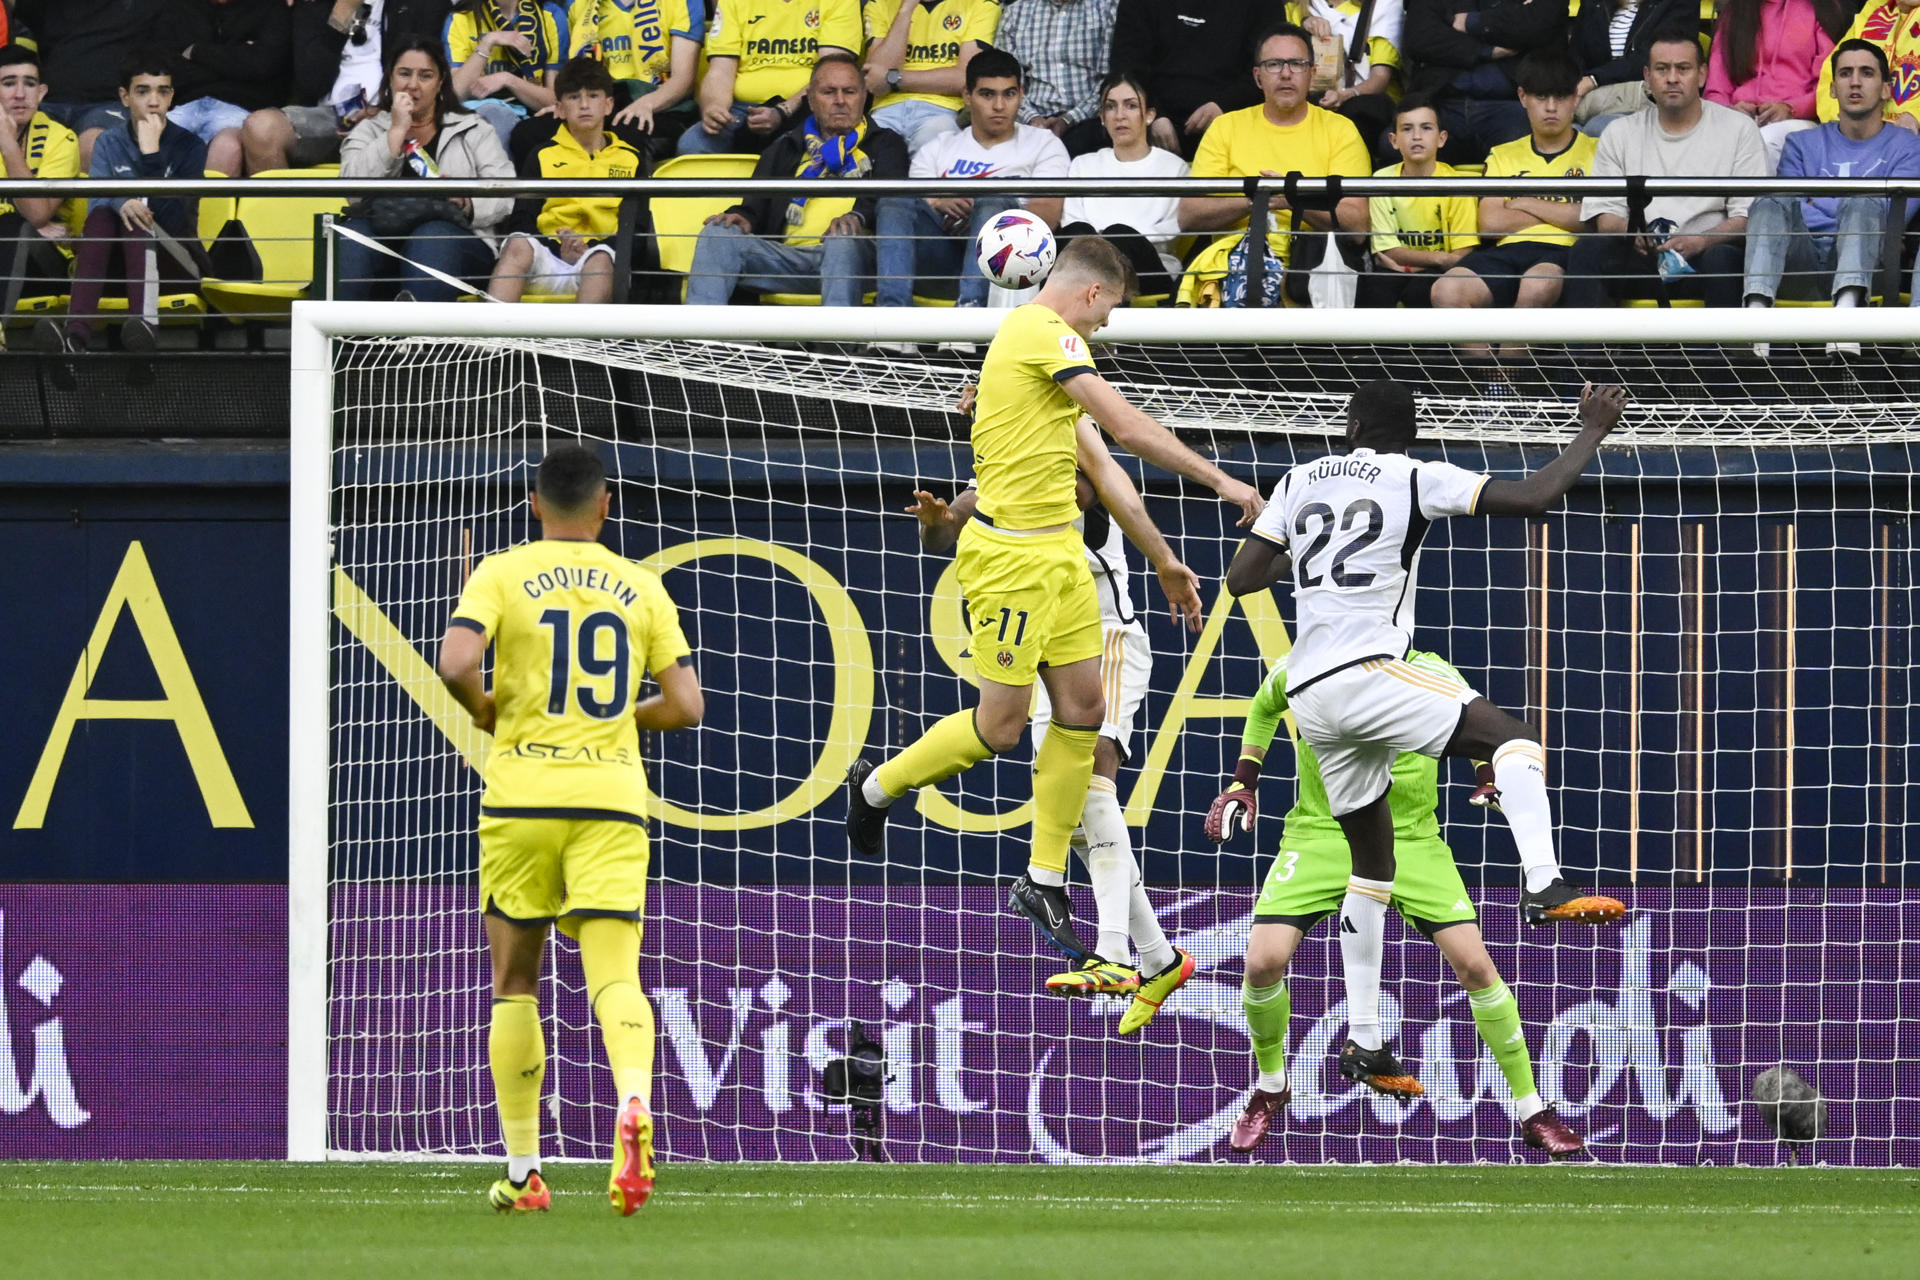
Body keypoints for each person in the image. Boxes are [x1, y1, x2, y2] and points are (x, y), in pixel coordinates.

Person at [844, 236, 1263, 990]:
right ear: (1093, 295)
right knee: (1002, 729)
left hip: (1062, 558)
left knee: (1083, 710)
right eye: (1111, 315)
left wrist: (1164, 556)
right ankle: (877, 786)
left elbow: (1107, 468)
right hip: (1009, 568)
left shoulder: (1034, 363)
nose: (1105, 331)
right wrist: (1227, 485)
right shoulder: (1044, 334)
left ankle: (1043, 877)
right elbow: (1130, 430)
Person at [1222, 380, 1628, 1096]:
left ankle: (1368, 1041)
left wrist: (1310, 551)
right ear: (1409, 434)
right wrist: (1593, 430)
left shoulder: (1296, 479)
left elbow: (1241, 578)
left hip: (1310, 696)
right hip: (1368, 669)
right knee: (1514, 742)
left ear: (1349, 425)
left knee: (1370, 866)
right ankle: (1544, 884)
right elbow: (1533, 498)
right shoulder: (1415, 475)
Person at [436, 442, 703, 1215]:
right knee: (616, 976)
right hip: (613, 798)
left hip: (522, 796)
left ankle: (523, 1174)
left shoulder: (499, 571)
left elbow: (456, 662)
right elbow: (687, 707)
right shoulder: (640, 585)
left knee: (515, 982)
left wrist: (489, 713)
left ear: (533, 504)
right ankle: (633, 1100)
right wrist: (624, 718)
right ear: (605, 505)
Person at [1206, 648, 1585, 1158]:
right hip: (1319, 835)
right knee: (1262, 963)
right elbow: (1265, 704)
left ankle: (1532, 1109)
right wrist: (1243, 780)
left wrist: (1485, 775)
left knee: (1476, 968)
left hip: (1411, 840)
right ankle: (1271, 1087)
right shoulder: (1309, 661)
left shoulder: (1434, 670)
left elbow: (1479, 727)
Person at [907, 454, 1193, 1033]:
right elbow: (947, 532)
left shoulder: (1071, 453)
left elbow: (1078, 498)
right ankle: (1160, 957)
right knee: (1076, 819)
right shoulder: (1001, 468)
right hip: (1050, 651)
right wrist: (938, 521)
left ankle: (1113, 955)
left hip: (1106, 637)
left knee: (1088, 787)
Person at [1565, 27, 1768, 310]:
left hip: (1707, 258)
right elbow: (1605, 216)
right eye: (1662, 69)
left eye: (1683, 68)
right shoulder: (1620, 132)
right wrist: (1633, 233)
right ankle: (1583, 355)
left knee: (1724, 258)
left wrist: (1700, 240)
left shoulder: (1738, 129)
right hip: (1642, 258)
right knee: (1588, 251)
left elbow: (1749, 218)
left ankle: (1720, 355)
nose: (1672, 78)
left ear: (1702, 74)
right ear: (1647, 76)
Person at [684, 52, 906, 306]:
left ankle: (837, 344)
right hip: (786, 260)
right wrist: (742, 216)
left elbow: (891, 201)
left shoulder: (886, 143)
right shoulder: (787, 145)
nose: (840, 101)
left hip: (858, 262)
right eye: (829, 92)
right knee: (717, 234)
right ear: (811, 100)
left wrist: (856, 218)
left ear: (864, 97)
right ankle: (704, 341)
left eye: (850, 92)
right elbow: (755, 205)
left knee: (842, 240)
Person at [1744, 40, 1920, 358]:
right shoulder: (1800, 143)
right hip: (1804, 264)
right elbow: (1788, 206)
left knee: (1863, 201)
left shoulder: (1908, 146)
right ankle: (1756, 322)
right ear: (1833, 88)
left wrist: (1820, 204)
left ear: (1885, 89)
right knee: (1769, 202)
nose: (1855, 81)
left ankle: (1847, 318)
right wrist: (1841, 212)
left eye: (1866, 73)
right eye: (1845, 73)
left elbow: (1896, 216)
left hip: (1873, 269)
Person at [1175, 22, 1370, 308]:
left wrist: (1293, 201)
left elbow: (1357, 224)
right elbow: (1189, 215)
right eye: (1274, 64)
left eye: (1297, 63)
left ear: (1313, 73)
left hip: (1313, 273)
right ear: (1257, 76)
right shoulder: (1225, 127)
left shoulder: (1341, 130)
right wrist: (1259, 201)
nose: (1286, 73)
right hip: (1235, 273)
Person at [873, 47, 1068, 313]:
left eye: (1008, 94)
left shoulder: (1044, 144)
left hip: (1004, 267)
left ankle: (969, 310)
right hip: (939, 260)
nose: (999, 106)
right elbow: (911, 210)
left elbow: (1047, 217)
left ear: (1021, 95)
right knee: (894, 201)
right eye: (987, 94)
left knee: (991, 202)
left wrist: (985, 218)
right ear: (967, 95)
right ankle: (891, 319)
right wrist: (937, 200)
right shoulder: (938, 147)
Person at [49, 52, 208, 356]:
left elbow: (173, 219)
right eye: (143, 91)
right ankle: (75, 342)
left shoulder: (190, 146)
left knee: (134, 219)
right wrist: (122, 202)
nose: (153, 101)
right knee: (103, 218)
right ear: (125, 97)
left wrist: (151, 155)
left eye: (163, 91)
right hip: (116, 265)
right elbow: (97, 209)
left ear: (172, 97)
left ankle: (144, 335)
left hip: (176, 262)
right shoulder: (109, 142)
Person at [1431, 50, 1596, 341]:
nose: (1551, 107)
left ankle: (1508, 380)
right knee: (1445, 290)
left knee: (1536, 286)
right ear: (1523, 97)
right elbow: (1490, 223)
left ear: (1575, 98)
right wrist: (1562, 213)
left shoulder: (1598, 151)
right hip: (1508, 252)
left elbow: (1590, 221)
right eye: (1541, 97)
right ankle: (1487, 380)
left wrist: (1526, 202)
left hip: (1565, 252)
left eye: (1560, 97)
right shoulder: (1503, 154)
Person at [335, 37, 515, 301]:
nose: (412, 85)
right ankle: (344, 339)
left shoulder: (473, 128)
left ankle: (417, 341)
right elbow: (352, 190)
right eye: (404, 74)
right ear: (391, 79)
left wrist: (467, 202)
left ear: (440, 82)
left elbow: (505, 191)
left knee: (431, 237)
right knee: (353, 238)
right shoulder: (369, 129)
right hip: (384, 235)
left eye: (425, 76)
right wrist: (395, 133)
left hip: (459, 242)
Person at [489, 56, 645, 303]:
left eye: (593, 96)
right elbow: (521, 220)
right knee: (517, 244)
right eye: (574, 97)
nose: (584, 105)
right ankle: (490, 338)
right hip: (546, 257)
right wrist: (557, 249)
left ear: (608, 105)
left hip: (601, 258)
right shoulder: (541, 154)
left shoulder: (632, 158)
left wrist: (588, 248)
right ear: (559, 109)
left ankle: (585, 343)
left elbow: (637, 230)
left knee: (600, 260)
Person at [239, 0, 455, 175]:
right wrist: (342, 13)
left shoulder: (422, 5)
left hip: (396, 117)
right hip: (329, 120)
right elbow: (311, 83)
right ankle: (286, 226)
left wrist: (385, 110)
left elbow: (428, 77)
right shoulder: (314, 5)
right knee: (261, 128)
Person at [1060, 73, 1191, 299]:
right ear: (1102, 117)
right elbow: (1072, 223)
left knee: (1120, 235)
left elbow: (1169, 231)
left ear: (1149, 115)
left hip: (1150, 271)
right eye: (1111, 107)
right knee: (1077, 236)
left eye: (1130, 106)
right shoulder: (1083, 164)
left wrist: (1109, 237)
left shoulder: (1175, 168)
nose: (1120, 115)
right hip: (1086, 264)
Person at [677, 0, 862, 156]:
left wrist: (782, 111)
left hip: (808, 108)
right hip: (743, 109)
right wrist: (714, 107)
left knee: (783, 152)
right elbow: (720, 70)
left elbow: (831, 77)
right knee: (692, 144)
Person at [1111, 0, 1291, 159]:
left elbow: (1270, 68)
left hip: (1235, 123)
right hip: (1152, 123)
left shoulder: (1264, 4)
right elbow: (1126, 67)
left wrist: (1224, 105)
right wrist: (1153, 113)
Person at [1400, 0, 1566, 164]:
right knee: (1394, 146)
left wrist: (1470, 23)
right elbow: (1420, 38)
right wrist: (1486, 50)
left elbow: (1537, 24)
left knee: (1532, 145)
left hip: (1511, 107)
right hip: (1442, 104)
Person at [13, 0, 168, 170]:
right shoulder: (44, 6)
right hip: (46, 100)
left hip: (107, 102)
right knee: (20, 143)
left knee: (95, 145)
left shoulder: (149, 6)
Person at [1359, 93, 1477, 309]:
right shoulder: (1381, 180)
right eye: (1407, 128)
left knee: (1421, 293)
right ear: (1394, 141)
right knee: (1374, 291)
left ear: (1441, 138)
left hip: (1437, 273)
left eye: (1426, 128)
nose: (1416, 136)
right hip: (1396, 270)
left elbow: (1462, 254)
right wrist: (1440, 258)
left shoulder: (1458, 185)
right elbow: (1388, 252)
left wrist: (1415, 264)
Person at [1705, 0, 1853, 170]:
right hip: (1740, 120)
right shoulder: (1735, 10)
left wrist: (1791, 109)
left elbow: (1829, 86)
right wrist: (1730, 111)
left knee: (1763, 142)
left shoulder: (1821, 8)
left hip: (1799, 120)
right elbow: (1715, 89)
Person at [162, 0, 293, 176]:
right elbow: (169, 69)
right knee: (140, 142)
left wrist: (197, 52)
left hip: (241, 108)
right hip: (186, 104)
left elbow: (262, 66)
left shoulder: (270, 8)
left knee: (226, 148)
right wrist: (238, 58)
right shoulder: (180, 8)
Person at [0, 46, 84, 314]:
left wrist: (8, 145)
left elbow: (36, 213)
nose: (20, 94)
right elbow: (36, 215)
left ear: (42, 93)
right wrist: (32, 218)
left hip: (46, 268)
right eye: (9, 83)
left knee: (17, 225)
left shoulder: (62, 139)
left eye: (30, 84)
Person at [859, 0, 999, 156]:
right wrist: (906, 10)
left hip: (942, 111)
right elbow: (875, 81)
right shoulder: (879, 4)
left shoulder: (980, 4)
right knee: (867, 153)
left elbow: (965, 78)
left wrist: (894, 78)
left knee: (935, 147)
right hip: (885, 111)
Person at [564, 0, 704, 152]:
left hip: (662, 106)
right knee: (545, 127)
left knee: (629, 129)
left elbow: (683, 80)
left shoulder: (684, 2)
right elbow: (573, 75)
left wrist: (646, 104)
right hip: (601, 103)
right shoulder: (577, 4)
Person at [995, 0, 1119, 159]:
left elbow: (1109, 79)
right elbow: (1004, 80)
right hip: (1028, 117)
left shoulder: (1107, 8)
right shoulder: (1016, 12)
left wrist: (1068, 120)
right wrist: (1032, 118)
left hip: (1089, 118)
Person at [1289, 0, 1404, 166]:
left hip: (1365, 101)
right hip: (1314, 99)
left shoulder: (1382, 6)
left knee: (1356, 111)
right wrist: (1304, 23)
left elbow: (1380, 78)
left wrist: (1345, 94)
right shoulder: (1294, 9)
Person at [444, 0, 570, 147]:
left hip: (532, 117)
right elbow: (455, 94)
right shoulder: (461, 17)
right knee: (492, 117)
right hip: (477, 114)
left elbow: (555, 101)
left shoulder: (551, 15)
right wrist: (487, 43)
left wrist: (508, 80)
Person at [1567, 0, 1697, 136]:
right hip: (1592, 100)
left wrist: (1594, 79)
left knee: (1599, 128)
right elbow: (1575, 57)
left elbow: (1653, 58)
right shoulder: (1594, 3)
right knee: (1564, 132)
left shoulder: (1679, 4)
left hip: (1645, 100)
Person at [1818, 0, 1920, 132]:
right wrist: (1840, 121)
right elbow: (1833, 75)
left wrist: (1915, 115)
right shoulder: (1875, 10)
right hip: (1863, 132)